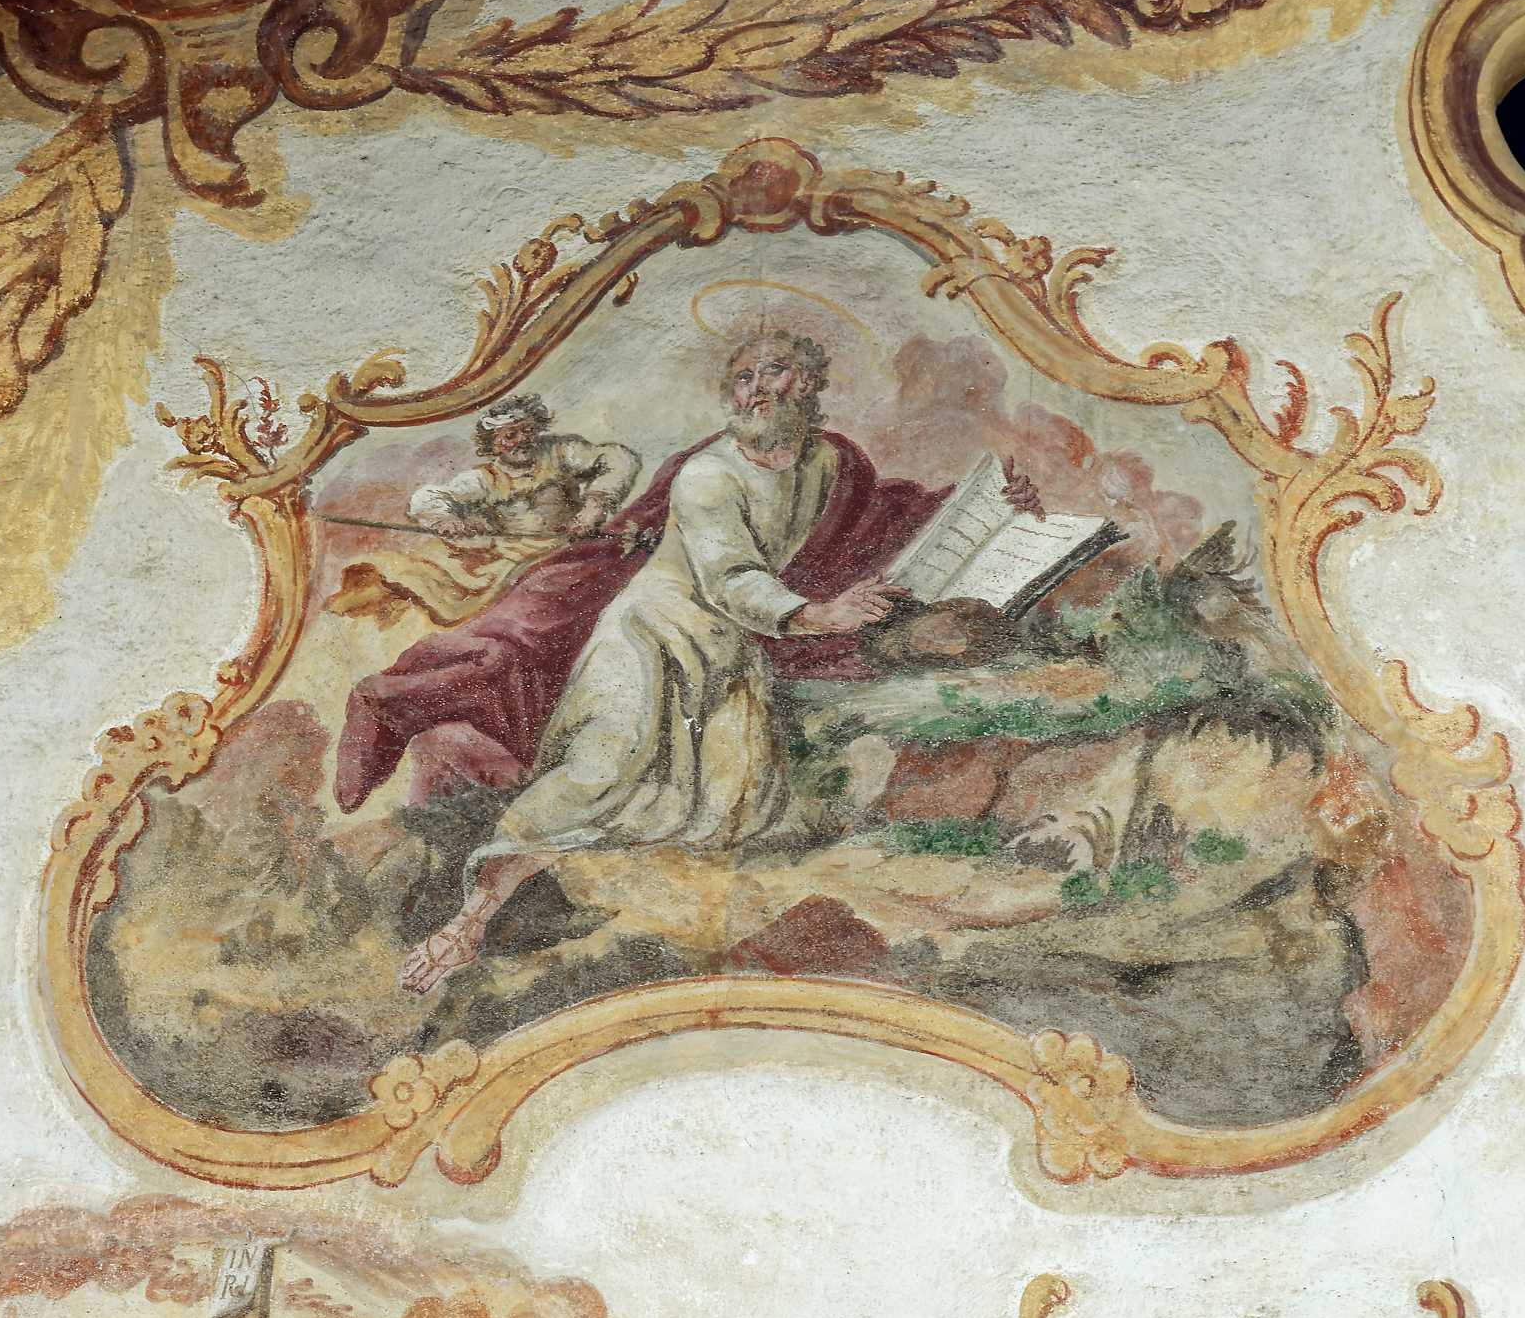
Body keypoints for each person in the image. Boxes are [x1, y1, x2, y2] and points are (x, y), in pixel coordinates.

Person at [394, 332, 1042, 993]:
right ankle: (468, 923)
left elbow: (881, 519)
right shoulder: (707, 476)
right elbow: (732, 578)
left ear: (808, 382)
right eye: (742, 377)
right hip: (651, 640)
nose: (756, 389)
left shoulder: (831, 461)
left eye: (774, 371)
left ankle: (645, 943)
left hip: (730, 653)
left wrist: (990, 505)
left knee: (736, 806)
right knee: (601, 771)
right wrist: (819, 615)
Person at [324, 394, 640, 627]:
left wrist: (595, 505)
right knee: (424, 579)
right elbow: (428, 498)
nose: (522, 440)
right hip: (511, 559)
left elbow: (618, 458)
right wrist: (448, 519)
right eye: (510, 436)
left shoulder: (561, 451)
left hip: (567, 545)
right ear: (494, 444)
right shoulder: (485, 478)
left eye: (527, 430)